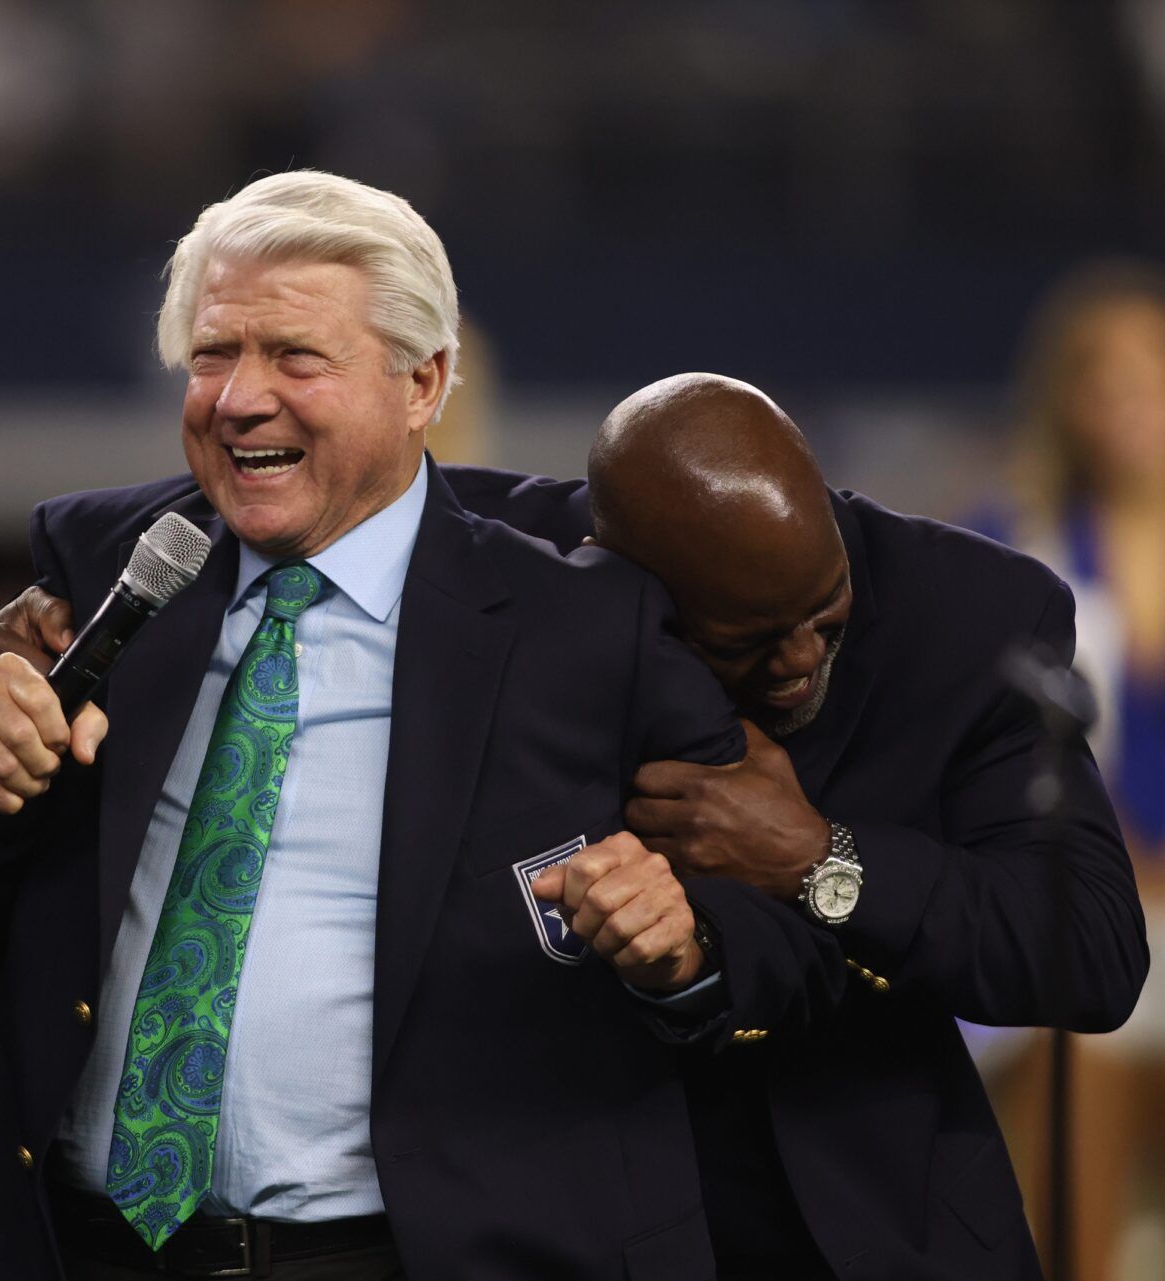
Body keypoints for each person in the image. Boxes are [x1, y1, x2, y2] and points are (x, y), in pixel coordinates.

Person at [0, 172, 846, 1280]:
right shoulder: (108, 571)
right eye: (215, 354)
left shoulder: (585, 631)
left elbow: (790, 947)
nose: (238, 399)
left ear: (425, 383)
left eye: (295, 357)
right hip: (92, 1251)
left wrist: (684, 947)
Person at [446, 373, 1150, 1279]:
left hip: (870, 1221)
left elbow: (1089, 952)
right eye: (745, 639)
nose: (799, 661)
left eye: (826, 613)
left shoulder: (972, 618)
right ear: (615, 574)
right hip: (569, 1208)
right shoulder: (514, 567)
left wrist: (819, 858)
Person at [967, 261, 1165, 1280]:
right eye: (1102, 374)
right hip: (1085, 904)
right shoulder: (1013, 553)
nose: (1128, 396)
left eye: (1151, 368)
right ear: (1065, 400)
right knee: (1079, 1042)